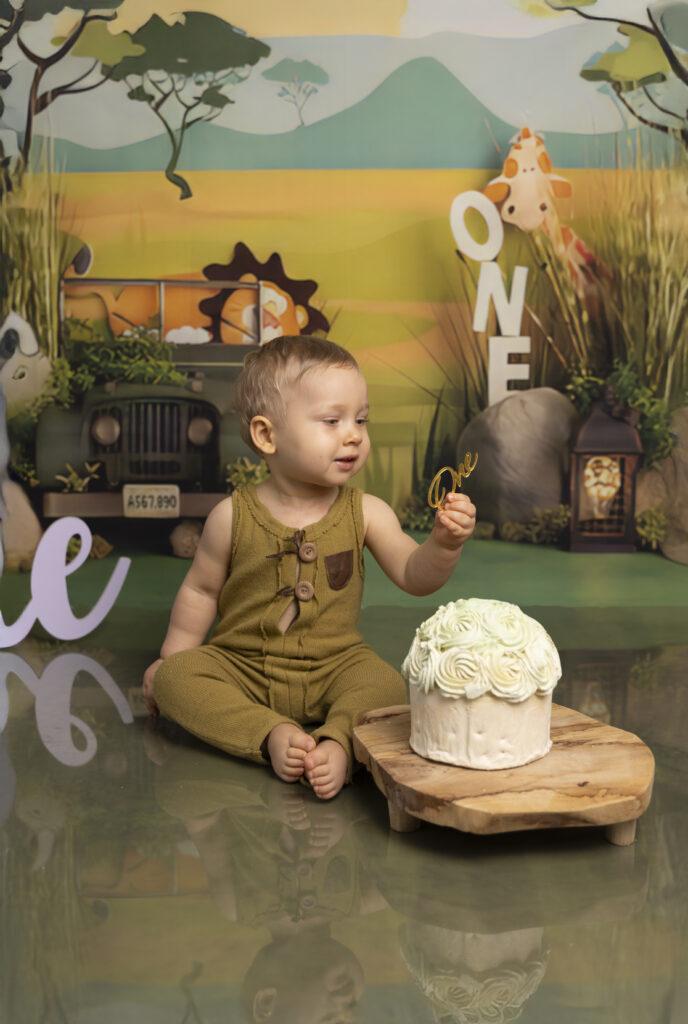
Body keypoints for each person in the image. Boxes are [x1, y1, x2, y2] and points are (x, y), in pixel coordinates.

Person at [143, 335, 475, 799]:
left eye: (361, 419)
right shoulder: (231, 516)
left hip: (335, 666)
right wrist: (171, 655)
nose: (354, 434)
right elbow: (199, 592)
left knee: (387, 685)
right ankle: (268, 734)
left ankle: (336, 741)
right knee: (175, 678)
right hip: (244, 666)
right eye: (332, 421)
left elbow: (414, 575)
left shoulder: (367, 512)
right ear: (267, 435)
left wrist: (443, 544)